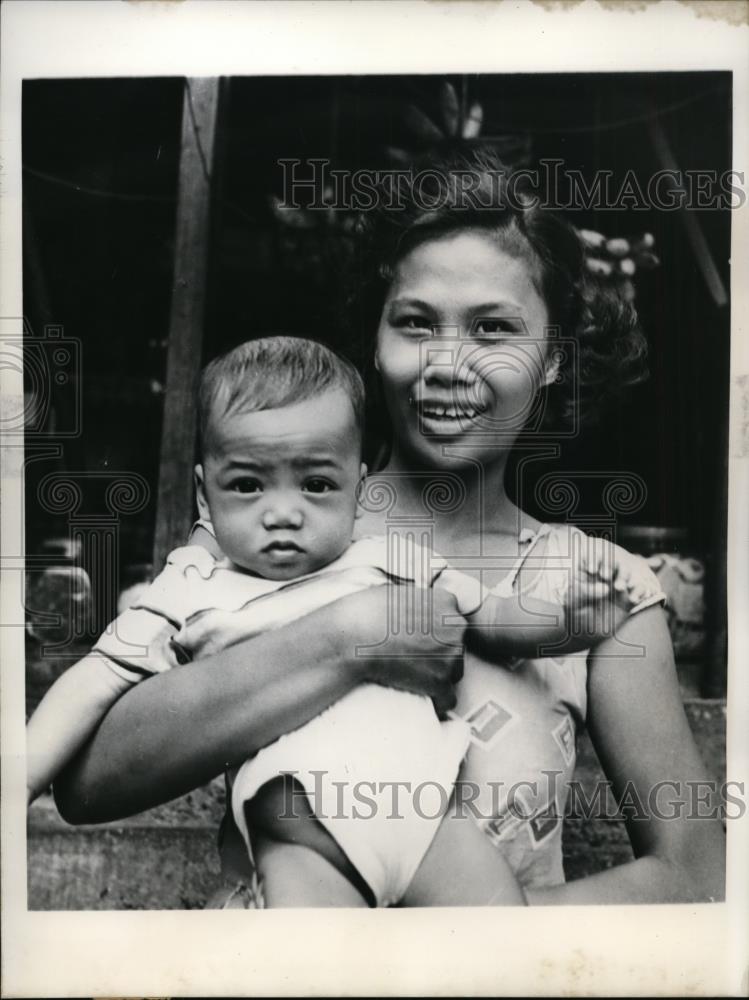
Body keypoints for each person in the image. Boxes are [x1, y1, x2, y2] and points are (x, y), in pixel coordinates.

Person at [52, 146, 725, 907]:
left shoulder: (596, 592)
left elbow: (693, 873)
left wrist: (451, 946)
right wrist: (349, 636)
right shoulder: (281, 530)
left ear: (551, 360)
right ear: (375, 341)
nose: (446, 362)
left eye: (492, 329)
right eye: (415, 322)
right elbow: (89, 783)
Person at [28, 334, 652, 907]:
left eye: (316, 484)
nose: (283, 513)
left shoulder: (388, 557)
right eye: (247, 485)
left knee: (499, 943)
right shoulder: (188, 588)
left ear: (358, 491)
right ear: (203, 496)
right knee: (318, 963)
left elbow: (498, 619)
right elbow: (94, 681)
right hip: (299, 823)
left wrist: (576, 620)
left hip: (427, 817)